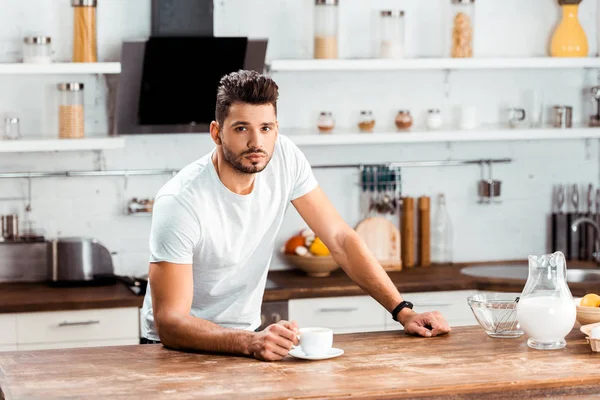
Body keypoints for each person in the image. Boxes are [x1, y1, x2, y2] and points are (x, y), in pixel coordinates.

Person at [140, 70, 451, 361]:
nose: (256, 142)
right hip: (175, 349)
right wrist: (250, 342)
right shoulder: (180, 201)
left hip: (246, 341)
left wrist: (403, 311)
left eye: (266, 128)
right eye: (241, 129)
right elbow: (171, 322)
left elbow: (341, 240)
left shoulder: (285, 158)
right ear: (216, 133)